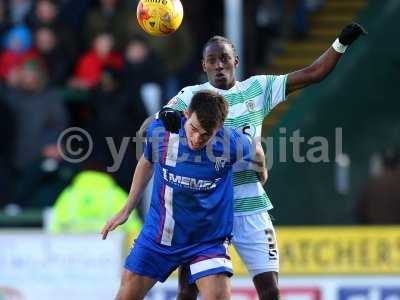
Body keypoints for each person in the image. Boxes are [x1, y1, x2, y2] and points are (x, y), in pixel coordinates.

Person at [146, 23, 367, 299]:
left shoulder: (258, 89)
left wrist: (341, 43)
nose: (219, 65)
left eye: (224, 58)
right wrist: (166, 115)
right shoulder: (192, 95)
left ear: (235, 61)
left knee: (270, 291)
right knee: (187, 293)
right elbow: (161, 118)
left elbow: (313, 73)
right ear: (203, 65)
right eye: (212, 60)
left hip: (250, 205)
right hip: (207, 208)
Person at [101, 91, 262, 300]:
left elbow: (256, 148)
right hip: (160, 235)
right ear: (186, 114)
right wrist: (126, 210)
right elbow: (147, 161)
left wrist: (262, 173)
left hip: (207, 241)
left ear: (219, 130)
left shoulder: (230, 143)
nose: (196, 138)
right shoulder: (162, 133)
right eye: (193, 128)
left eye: (206, 134)